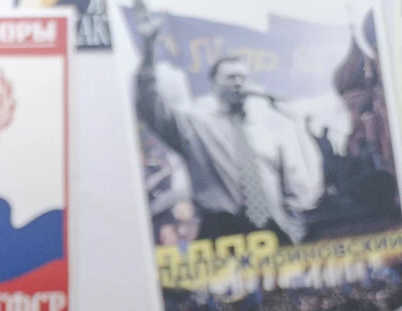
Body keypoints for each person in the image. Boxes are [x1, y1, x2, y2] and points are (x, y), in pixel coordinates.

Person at [131, 23, 321, 245]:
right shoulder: (195, 126)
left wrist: (294, 226)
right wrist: (149, 47)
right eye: (231, 77)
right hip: (223, 231)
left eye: (243, 78)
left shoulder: (269, 129)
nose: (238, 83)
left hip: (274, 232)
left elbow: (291, 185)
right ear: (214, 83)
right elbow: (149, 105)